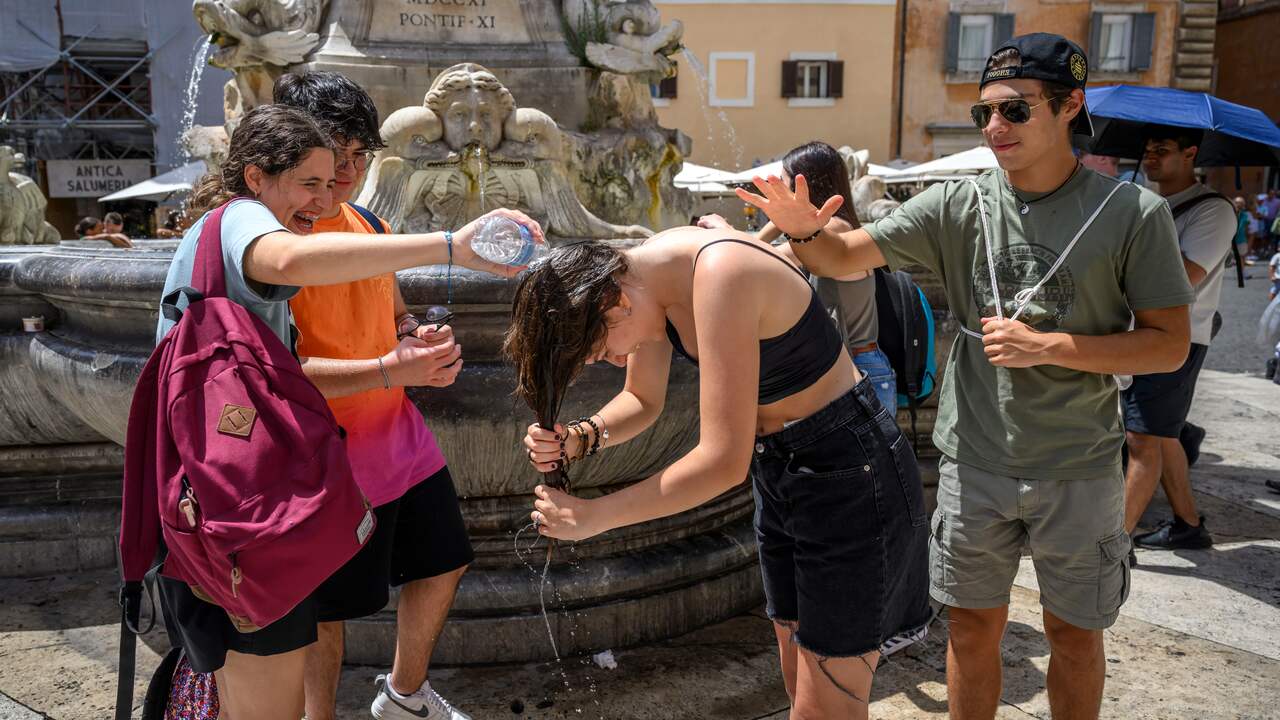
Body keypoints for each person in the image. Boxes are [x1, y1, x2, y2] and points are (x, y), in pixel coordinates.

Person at [736, 34, 1193, 720]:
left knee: (1074, 635)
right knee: (971, 628)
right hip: (973, 463)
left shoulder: (1133, 213)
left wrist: (1052, 347)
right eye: (986, 113)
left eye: (1015, 110)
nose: (994, 127)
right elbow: (843, 257)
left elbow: (1167, 347)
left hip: (1079, 466)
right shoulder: (959, 203)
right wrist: (804, 232)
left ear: (1071, 105)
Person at [154, 103, 537, 720]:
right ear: (256, 177)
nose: (324, 196)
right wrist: (450, 246)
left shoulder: (242, 225)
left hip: (233, 500)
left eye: (335, 175)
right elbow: (288, 263)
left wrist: (406, 330)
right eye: (309, 182)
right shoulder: (242, 220)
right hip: (237, 508)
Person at [511, 235, 931, 715]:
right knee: (799, 688)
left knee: (824, 708)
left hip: (850, 475)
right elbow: (643, 400)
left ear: (615, 303)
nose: (611, 360)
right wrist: (580, 438)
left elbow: (721, 462)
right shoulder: (645, 281)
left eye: (601, 351)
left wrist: (596, 517)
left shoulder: (721, 275)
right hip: (781, 470)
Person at [273, 70, 475, 720]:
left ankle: (404, 696)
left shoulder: (369, 221)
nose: (350, 171)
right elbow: (286, 373)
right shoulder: (275, 245)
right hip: (322, 457)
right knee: (321, 616)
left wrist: (418, 336)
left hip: (398, 441)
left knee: (446, 560)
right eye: (338, 153)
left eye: (361, 156)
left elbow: (393, 306)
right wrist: (393, 368)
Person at [701, 140, 898, 413]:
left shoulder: (833, 230)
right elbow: (760, 246)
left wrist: (725, 230)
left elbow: (757, 259)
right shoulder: (832, 226)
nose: (778, 192)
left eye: (783, 183)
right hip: (849, 364)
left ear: (803, 187)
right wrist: (779, 217)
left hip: (860, 369)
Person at [1121, 127, 1235, 552]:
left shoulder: (1213, 210)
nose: (1151, 158)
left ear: (1190, 154)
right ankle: (1188, 524)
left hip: (1174, 336)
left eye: (1162, 151)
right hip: (1136, 333)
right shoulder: (1151, 204)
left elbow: (1184, 279)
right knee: (1161, 433)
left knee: (1142, 438)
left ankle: (1114, 544)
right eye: (1147, 150)